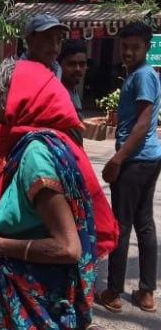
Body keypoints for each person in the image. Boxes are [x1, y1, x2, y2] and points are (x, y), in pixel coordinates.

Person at [0, 58, 118, 328]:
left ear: (18, 100)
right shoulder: (35, 145)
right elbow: (27, 212)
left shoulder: (37, 155)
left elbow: (67, 248)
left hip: (30, 310)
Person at [98, 21, 161, 314]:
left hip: (136, 160)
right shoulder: (138, 74)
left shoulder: (144, 76)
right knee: (143, 223)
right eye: (125, 46)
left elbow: (143, 123)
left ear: (147, 47)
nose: (128, 51)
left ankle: (113, 292)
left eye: (135, 47)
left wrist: (117, 159)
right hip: (147, 158)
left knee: (122, 226)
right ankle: (146, 292)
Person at [20, 13, 66, 77]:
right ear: (29, 40)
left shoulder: (57, 69)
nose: (55, 47)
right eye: (48, 39)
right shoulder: (15, 74)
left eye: (59, 40)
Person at [58, 39, 88, 119]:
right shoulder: (57, 96)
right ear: (60, 65)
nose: (78, 69)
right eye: (71, 64)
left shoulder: (73, 91)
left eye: (82, 64)